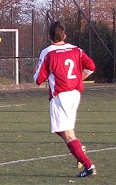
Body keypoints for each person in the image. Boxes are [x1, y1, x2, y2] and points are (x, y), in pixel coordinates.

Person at [34, 21, 96, 178]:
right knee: (65, 130)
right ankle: (79, 149)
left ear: (50, 36)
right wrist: (79, 79)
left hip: (60, 95)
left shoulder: (48, 52)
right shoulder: (77, 50)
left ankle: (88, 166)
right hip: (75, 94)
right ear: (65, 35)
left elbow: (38, 79)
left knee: (65, 132)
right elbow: (91, 67)